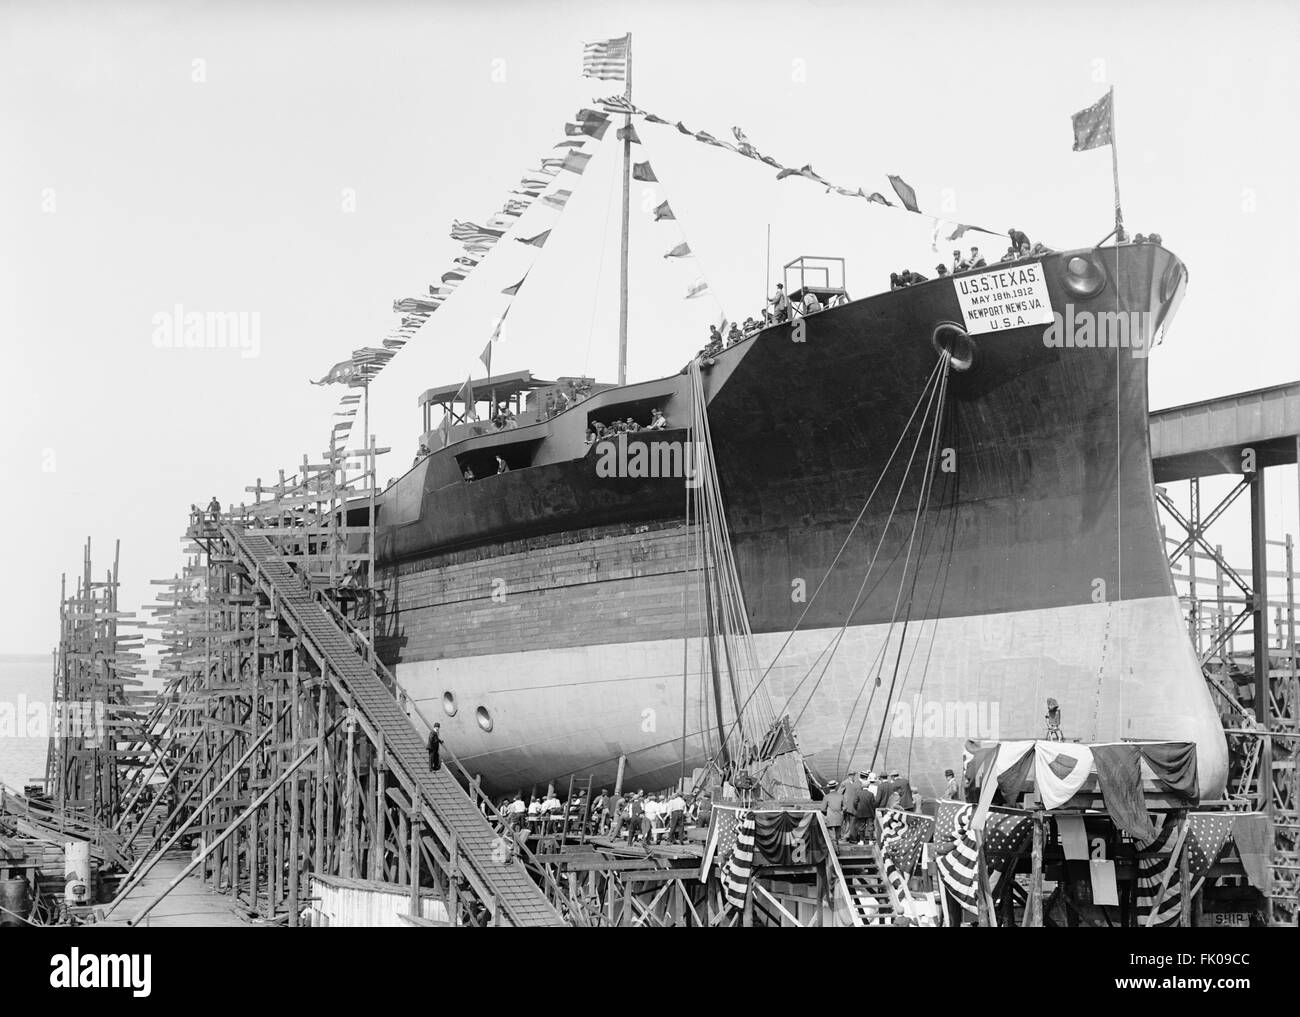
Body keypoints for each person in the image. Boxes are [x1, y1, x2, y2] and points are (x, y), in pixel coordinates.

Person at [823, 779, 845, 843]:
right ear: (836, 787)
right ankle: (837, 849)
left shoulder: (826, 797)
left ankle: (835, 851)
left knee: (832, 838)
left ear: (829, 787)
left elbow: (822, 808)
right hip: (839, 818)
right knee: (838, 837)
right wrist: (841, 811)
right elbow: (845, 807)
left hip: (830, 819)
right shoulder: (841, 796)